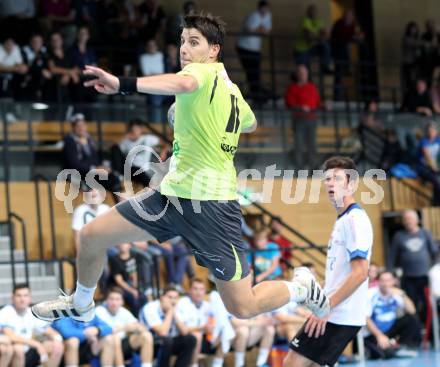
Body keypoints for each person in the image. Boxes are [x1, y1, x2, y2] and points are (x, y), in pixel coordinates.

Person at [32, 12, 328, 337]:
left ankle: (301, 288)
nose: (184, 49)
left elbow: (184, 82)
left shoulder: (200, 75)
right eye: (183, 41)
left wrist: (122, 85)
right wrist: (198, 121)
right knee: (90, 235)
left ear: (214, 50)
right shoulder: (231, 91)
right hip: (170, 198)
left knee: (242, 306)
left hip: (211, 207)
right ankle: (82, 303)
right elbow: (250, 122)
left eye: (194, 42)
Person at [284, 156, 373, 367]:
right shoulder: (342, 219)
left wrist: (326, 308)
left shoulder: (354, 220)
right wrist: (318, 293)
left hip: (338, 314)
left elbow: (360, 273)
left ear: (351, 184)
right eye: (328, 178)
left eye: (338, 178)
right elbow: (341, 273)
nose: (331, 183)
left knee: (292, 363)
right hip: (337, 311)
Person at [389, 209, 438, 321]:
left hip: (425, 277)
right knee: (410, 305)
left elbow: (434, 252)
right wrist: (390, 274)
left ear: (417, 220)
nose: (408, 221)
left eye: (410, 219)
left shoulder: (426, 233)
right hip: (408, 278)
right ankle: (415, 330)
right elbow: (392, 257)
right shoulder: (398, 236)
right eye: (405, 219)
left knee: (427, 304)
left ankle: (429, 333)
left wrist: (434, 270)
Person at [0, 284, 64, 367]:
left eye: (25, 296)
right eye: (18, 296)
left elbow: (46, 330)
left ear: (30, 298)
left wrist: (57, 337)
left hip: (30, 348)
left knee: (57, 346)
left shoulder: (31, 312)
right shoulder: (5, 312)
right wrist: (36, 344)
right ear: (12, 297)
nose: (22, 299)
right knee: (18, 348)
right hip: (15, 350)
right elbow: (11, 336)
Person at [364, 271, 421, 359]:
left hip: (390, 330)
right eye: (383, 280)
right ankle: (391, 349)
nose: (385, 284)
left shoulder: (396, 294)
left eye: (388, 280)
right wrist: (379, 335)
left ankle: (402, 346)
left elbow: (412, 311)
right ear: (378, 282)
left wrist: (403, 295)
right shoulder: (370, 294)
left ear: (393, 281)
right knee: (387, 354)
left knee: (412, 319)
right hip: (373, 332)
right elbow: (366, 318)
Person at [140, 285, 197, 367]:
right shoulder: (150, 307)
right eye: (170, 297)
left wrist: (174, 313)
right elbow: (162, 332)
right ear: (162, 298)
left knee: (190, 339)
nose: (173, 301)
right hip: (150, 344)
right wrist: (170, 312)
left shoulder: (176, 308)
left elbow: (184, 331)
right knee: (167, 340)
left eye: (175, 298)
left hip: (167, 343)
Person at [95, 287, 154, 367]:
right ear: (106, 300)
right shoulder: (99, 311)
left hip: (123, 344)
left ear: (122, 302)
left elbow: (142, 327)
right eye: (111, 299)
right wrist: (124, 328)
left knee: (147, 335)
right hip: (105, 344)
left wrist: (137, 327)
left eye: (117, 299)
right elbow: (100, 332)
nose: (114, 302)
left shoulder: (123, 311)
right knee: (114, 338)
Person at [236, 0, 272, 100]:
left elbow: (267, 31)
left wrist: (259, 29)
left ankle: (256, 94)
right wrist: (260, 29)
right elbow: (250, 29)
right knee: (251, 72)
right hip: (244, 47)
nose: (266, 9)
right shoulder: (254, 15)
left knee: (255, 72)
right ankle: (255, 94)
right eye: (264, 7)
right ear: (260, 8)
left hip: (255, 49)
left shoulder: (268, 15)